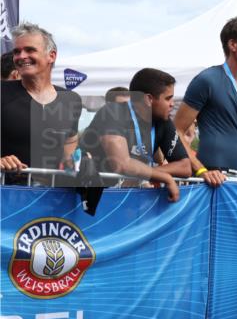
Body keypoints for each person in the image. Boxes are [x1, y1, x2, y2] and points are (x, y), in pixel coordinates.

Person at [174, 16, 237, 186]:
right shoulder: (207, 79)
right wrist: (200, 170)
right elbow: (176, 131)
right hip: (213, 180)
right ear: (233, 45)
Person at [80, 69, 191, 201]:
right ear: (149, 99)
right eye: (168, 98)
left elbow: (185, 167)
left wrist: (145, 174)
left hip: (126, 199)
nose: (172, 104)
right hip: (92, 198)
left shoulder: (163, 121)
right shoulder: (112, 112)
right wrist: (165, 177)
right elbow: (121, 164)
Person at [1, 23, 82, 176]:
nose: (21, 56)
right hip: (7, 194)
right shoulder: (2, 92)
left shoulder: (72, 100)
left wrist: (79, 162)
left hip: (52, 196)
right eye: (17, 52)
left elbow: (69, 152)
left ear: (51, 56)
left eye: (29, 50)